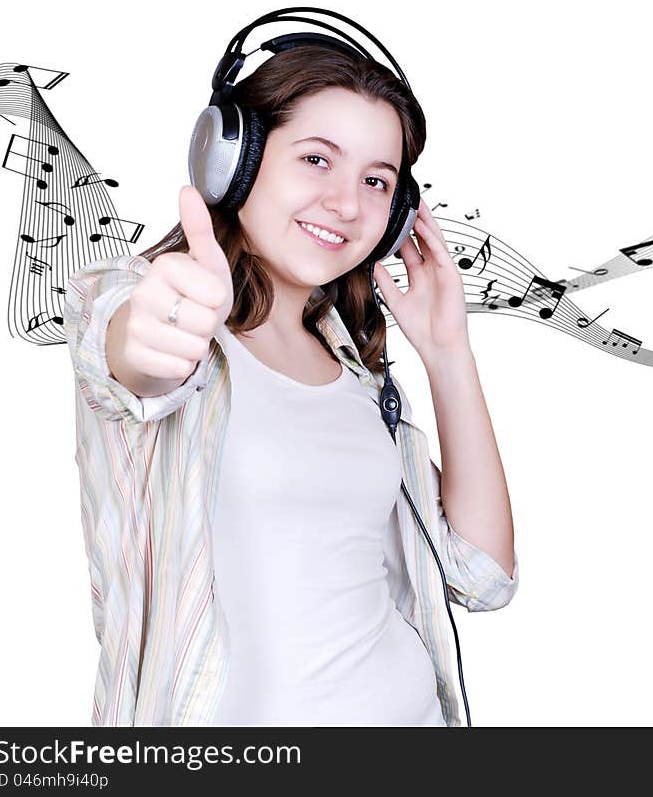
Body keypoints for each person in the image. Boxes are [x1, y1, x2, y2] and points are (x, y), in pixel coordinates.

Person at [64, 42, 519, 727]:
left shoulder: (358, 377)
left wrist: (448, 353)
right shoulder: (149, 309)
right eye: (316, 158)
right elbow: (131, 357)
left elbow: (483, 576)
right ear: (233, 162)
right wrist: (157, 332)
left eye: (377, 181)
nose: (345, 203)